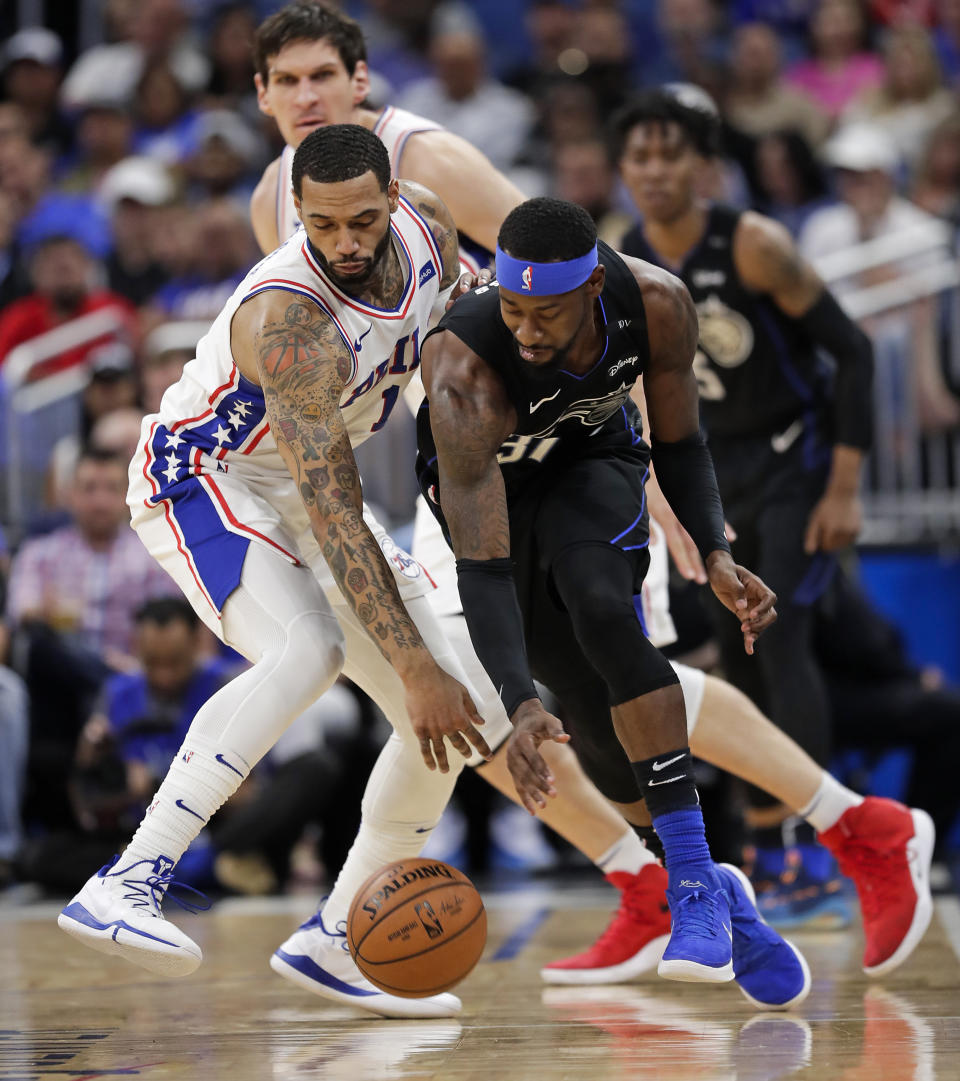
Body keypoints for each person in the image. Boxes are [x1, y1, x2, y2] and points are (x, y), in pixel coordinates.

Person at [249, 3, 932, 992]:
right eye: (287, 81)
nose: (306, 95)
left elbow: (556, 274)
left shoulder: (426, 158)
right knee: (506, 697)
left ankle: (833, 828)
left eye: (324, 75)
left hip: (568, 444)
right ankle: (661, 877)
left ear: (361, 80)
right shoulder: (277, 200)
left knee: (595, 661)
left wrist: (649, 471)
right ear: (260, 94)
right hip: (463, 454)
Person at [58, 123, 494, 1020]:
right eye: (324, 223)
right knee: (310, 648)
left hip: (302, 482)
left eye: (364, 220)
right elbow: (336, 515)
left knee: (463, 710)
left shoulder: (431, 227)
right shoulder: (290, 323)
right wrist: (409, 663)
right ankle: (128, 879)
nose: (346, 242)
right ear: (296, 213)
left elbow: (441, 359)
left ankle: (338, 940)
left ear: (394, 201)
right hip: (206, 478)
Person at [416, 193, 800, 994]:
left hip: (594, 463)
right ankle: (707, 883)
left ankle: (693, 881)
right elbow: (483, 569)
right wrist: (519, 701)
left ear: (594, 289)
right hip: (498, 505)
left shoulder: (654, 302)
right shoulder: (463, 374)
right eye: (512, 308)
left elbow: (682, 442)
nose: (525, 330)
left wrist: (718, 551)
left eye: (545, 313)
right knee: (581, 701)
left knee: (600, 603)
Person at [614, 85, 877, 919]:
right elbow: (631, 391)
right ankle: (767, 844)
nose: (655, 170)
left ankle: (831, 848)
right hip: (708, 478)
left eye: (671, 153)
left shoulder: (754, 243)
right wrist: (658, 488)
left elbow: (854, 351)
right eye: (640, 156)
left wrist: (842, 484)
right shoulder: (623, 257)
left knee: (783, 641)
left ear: (704, 164)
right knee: (732, 649)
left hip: (791, 463)